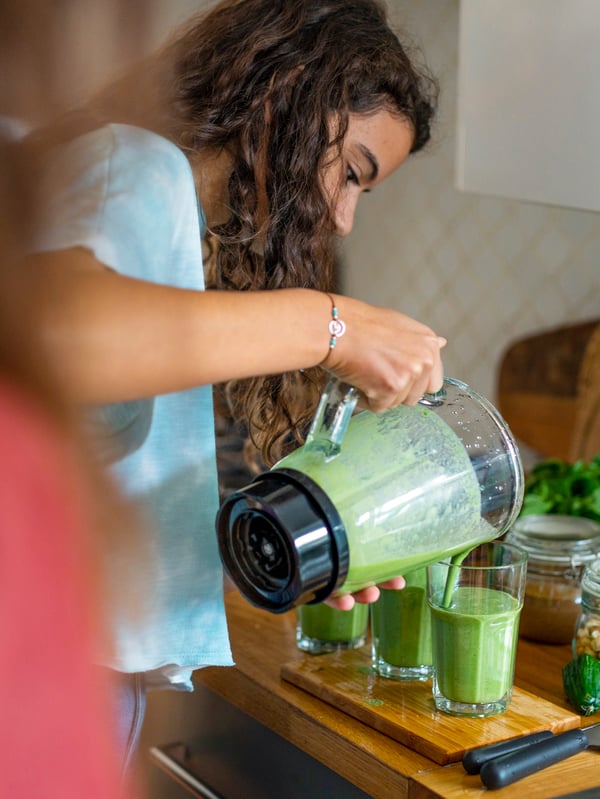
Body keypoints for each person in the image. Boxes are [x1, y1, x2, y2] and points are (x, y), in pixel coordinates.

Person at [23, 0, 445, 767]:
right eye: (351, 172)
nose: (344, 218)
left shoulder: (140, 190)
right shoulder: (135, 166)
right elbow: (53, 331)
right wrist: (335, 324)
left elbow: (88, 459)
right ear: (289, 95)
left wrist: (287, 540)